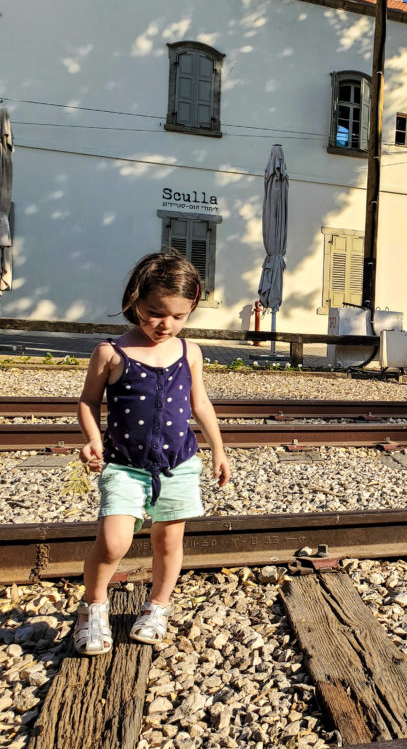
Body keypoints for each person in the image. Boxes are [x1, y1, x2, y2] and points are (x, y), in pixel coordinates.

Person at [74, 251, 231, 655]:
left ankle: (157, 607)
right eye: (155, 312)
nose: (166, 324)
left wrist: (218, 448)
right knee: (113, 542)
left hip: (178, 464)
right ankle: (93, 607)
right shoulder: (110, 352)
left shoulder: (189, 352)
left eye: (179, 316)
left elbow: (201, 403)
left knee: (168, 541)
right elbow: (88, 401)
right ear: (134, 300)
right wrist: (92, 438)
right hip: (125, 466)